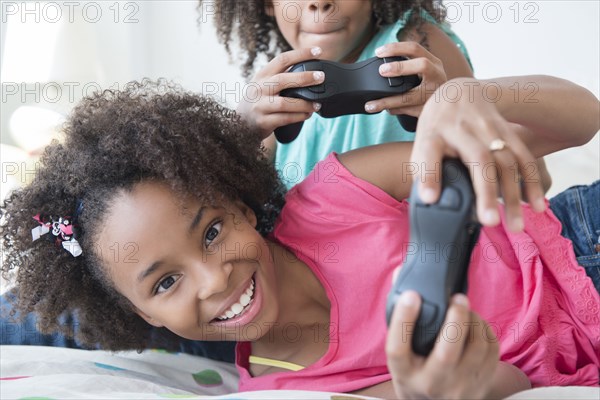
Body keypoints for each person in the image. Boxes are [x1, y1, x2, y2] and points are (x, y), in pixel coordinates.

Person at [1, 76, 598, 398]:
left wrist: (464, 95)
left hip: (580, 237)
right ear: (138, 316)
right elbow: (512, 378)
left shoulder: (337, 195)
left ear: (239, 203)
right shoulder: (291, 387)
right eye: (165, 282)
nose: (216, 279)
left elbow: (581, 117)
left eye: (210, 232)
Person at [199, 0, 475, 187]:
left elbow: (485, 155)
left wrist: (449, 109)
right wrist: (242, 132)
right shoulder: (277, 93)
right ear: (266, 4)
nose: (318, 2)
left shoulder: (414, 47)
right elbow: (231, 200)